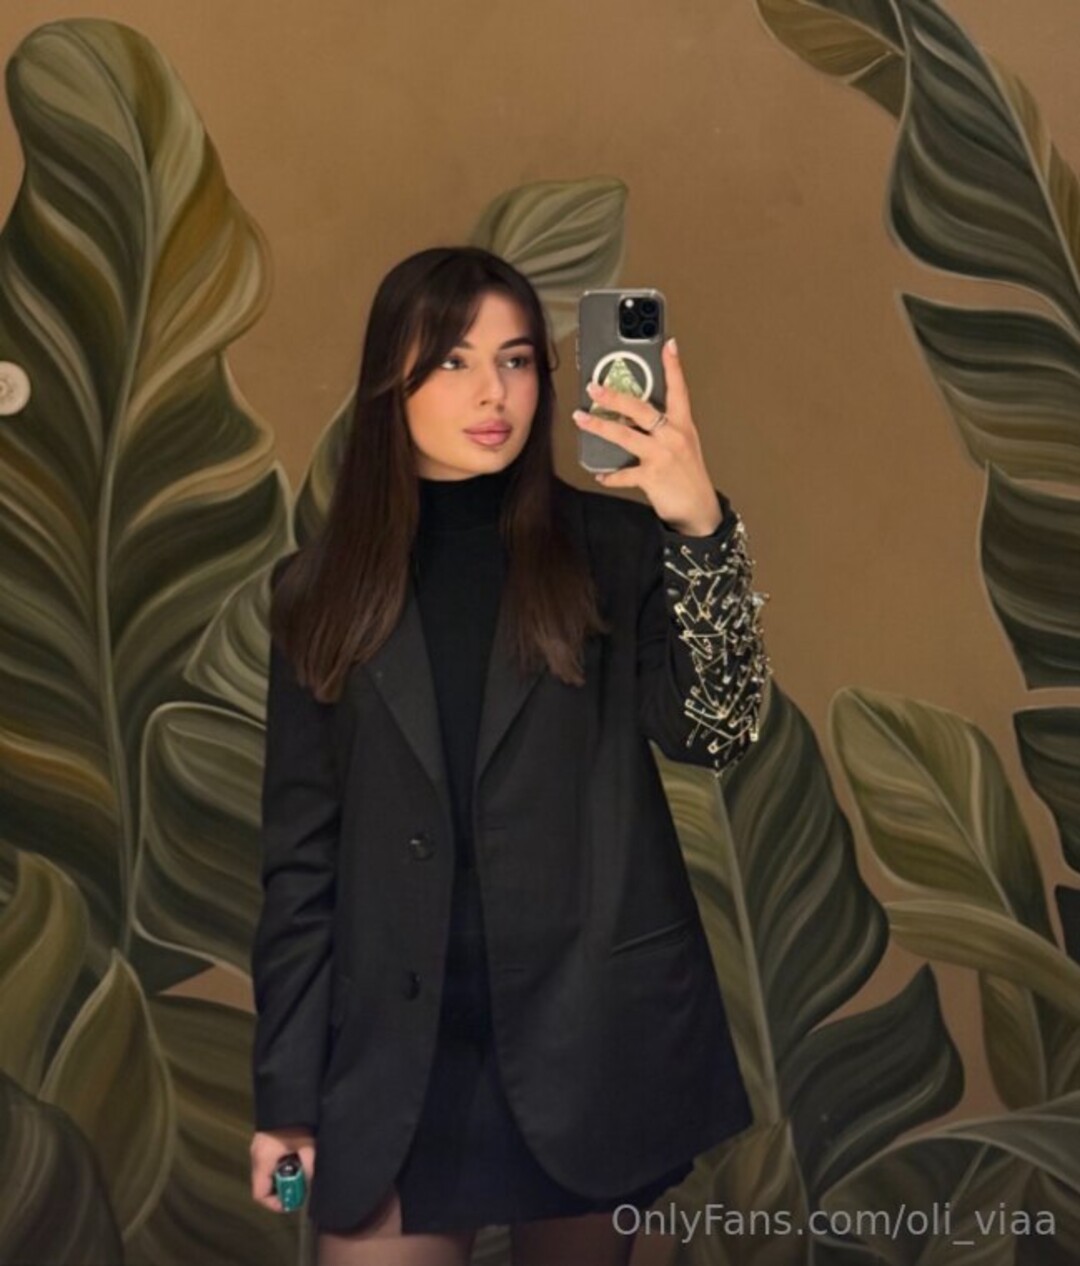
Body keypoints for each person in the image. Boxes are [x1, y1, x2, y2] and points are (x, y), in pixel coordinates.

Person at [248, 246, 771, 1266]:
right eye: (452, 361)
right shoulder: (317, 592)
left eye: (518, 359)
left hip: (590, 1043)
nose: (494, 393)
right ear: (388, 382)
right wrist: (287, 1100)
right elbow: (300, 865)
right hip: (399, 1060)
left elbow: (716, 729)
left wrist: (699, 525)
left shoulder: (615, 548)